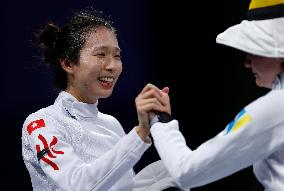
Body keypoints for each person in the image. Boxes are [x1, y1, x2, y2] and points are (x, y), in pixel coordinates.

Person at [21, 8, 180, 191]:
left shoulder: (111, 124)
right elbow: (77, 186)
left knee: (168, 172)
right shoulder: (42, 123)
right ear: (68, 63)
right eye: (101, 54)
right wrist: (140, 133)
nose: (112, 66)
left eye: (117, 56)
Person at [149, 0, 284, 190]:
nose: (247, 62)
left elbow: (186, 172)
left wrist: (160, 121)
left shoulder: (276, 107)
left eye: (255, 50)